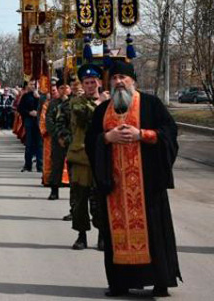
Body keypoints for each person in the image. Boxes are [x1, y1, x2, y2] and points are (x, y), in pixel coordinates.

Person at [86, 60, 181, 298]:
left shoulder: (151, 104)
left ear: (133, 82)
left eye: (123, 78)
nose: (118, 82)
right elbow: (90, 141)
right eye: (115, 78)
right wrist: (106, 138)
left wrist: (143, 134)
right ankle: (120, 283)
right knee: (115, 237)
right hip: (115, 187)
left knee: (154, 233)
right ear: (109, 82)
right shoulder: (102, 110)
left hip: (148, 185)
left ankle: (161, 282)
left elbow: (169, 132)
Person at [64, 64, 104, 250]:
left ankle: (103, 234)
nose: (90, 85)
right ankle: (81, 236)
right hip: (81, 157)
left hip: (102, 157)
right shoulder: (76, 102)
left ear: (100, 82)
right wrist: (98, 104)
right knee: (80, 199)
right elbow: (82, 118)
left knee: (101, 199)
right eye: (87, 82)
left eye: (93, 82)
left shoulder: (109, 102)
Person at [17, 80, 42, 172]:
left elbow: (45, 107)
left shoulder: (42, 96)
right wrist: (29, 113)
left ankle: (40, 165)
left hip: (39, 122)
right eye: (31, 84)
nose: (33, 86)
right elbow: (20, 108)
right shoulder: (26, 96)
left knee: (39, 144)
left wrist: (38, 98)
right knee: (29, 144)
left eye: (35, 84)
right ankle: (28, 165)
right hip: (29, 121)